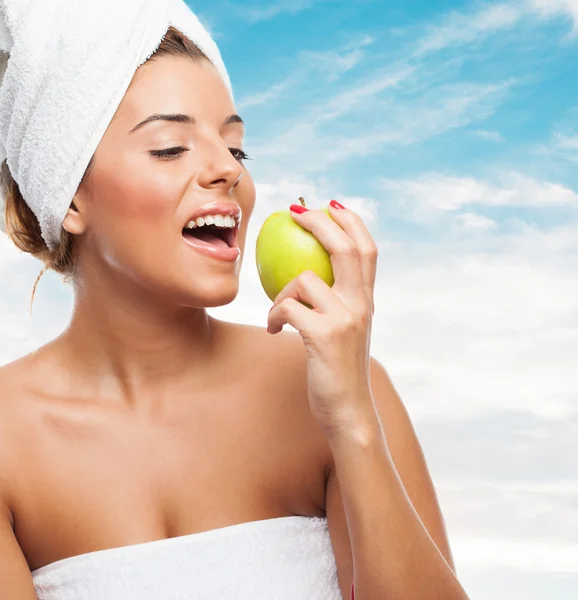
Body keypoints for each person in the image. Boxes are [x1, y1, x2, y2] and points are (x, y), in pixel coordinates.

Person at [0, 7, 469, 600]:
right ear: (69, 197)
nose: (226, 170)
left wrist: (351, 419)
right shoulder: (6, 441)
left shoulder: (341, 389)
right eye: (171, 148)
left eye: (235, 149)